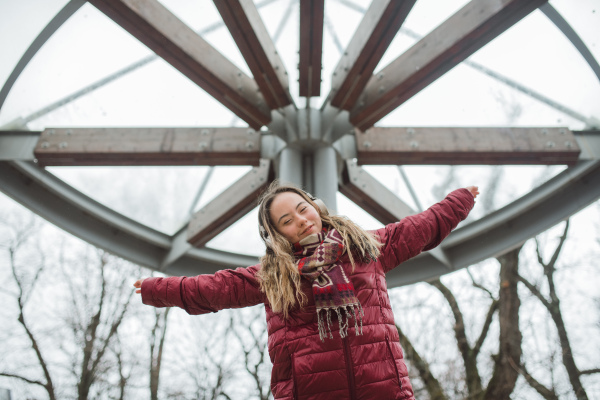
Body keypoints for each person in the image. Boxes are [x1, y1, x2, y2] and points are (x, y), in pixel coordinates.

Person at [134, 182, 479, 400]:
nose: (300, 220)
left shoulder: (364, 248)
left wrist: (461, 199)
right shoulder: (273, 277)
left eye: (302, 209)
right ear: (278, 236)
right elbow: (214, 289)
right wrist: (157, 289)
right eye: (287, 221)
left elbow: (421, 228)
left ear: (315, 207)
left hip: (383, 388)